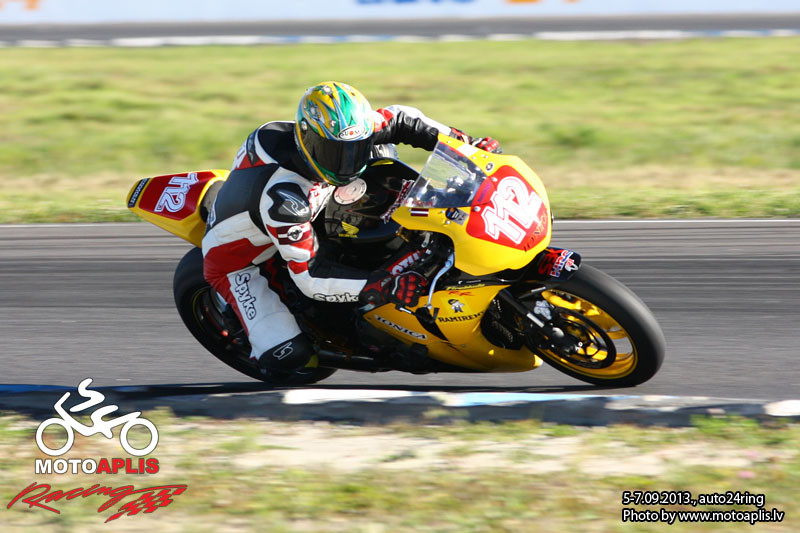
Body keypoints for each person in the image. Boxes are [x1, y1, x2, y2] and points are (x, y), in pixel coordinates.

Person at [202, 81, 501, 374]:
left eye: (356, 150)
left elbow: (401, 118)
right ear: (308, 141)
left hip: (315, 202)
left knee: (385, 163)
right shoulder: (284, 200)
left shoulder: (340, 131)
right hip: (242, 259)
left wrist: (465, 143)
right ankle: (242, 323)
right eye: (335, 153)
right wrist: (385, 285)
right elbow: (311, 276)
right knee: (290, 357)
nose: (347, 163)